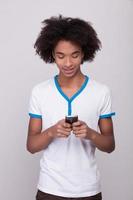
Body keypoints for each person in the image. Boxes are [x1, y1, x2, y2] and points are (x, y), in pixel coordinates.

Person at [26, 15, 115, 200]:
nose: (68, 63)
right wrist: (51, 132)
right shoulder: (40, 92)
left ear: (84, 53)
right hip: (49, 189)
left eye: (74, 55)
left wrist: (90, 134)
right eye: (61, 56)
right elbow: (31, 146)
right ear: (52, 55)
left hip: (88, 190)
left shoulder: (101, 91)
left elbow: (110, 145)